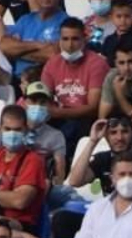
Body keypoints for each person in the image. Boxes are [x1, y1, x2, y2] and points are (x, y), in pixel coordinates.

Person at [57, 115, 132, 238]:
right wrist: (93, 141)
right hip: (108, 219)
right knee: (62, 220)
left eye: (125, 132)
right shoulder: (102, 158)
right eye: (113, 133)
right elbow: (74, 181)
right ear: (106, 136)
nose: (119, 138)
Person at [0, 104, 49, 238]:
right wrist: (4, 197)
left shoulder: (33, 161)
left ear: (26, 130)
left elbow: (19, 201)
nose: (12, 134)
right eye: (7, 129)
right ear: (0, 129)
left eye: (17, 130)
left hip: (20, 224)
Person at [39, 16, 108, 147]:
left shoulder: (97, 64)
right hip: (60, 117)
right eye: (65, 39)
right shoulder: (52, 63)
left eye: (75, 39)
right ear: (59, 40)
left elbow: (93, 108)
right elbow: (43, 97)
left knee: (72, 128)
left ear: (84, 39)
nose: (70, 45)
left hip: (87, 120)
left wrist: (58, 112)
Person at [0, 0, 70, 79]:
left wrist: (18, 51)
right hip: (19, 82)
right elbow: (5, 47)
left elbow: (53, 55)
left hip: (47, 82)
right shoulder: (25, 20)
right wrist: (37, 45)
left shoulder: (67, 22)